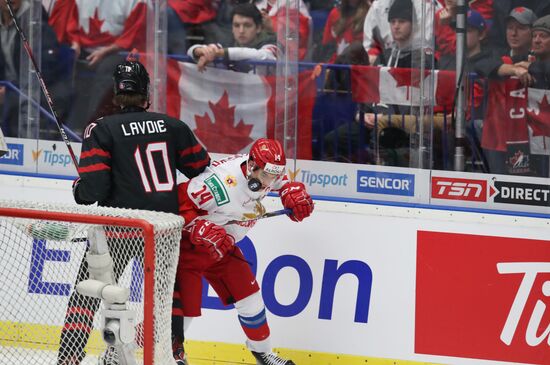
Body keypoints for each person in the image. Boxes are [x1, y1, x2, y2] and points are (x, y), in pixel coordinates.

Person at [56, 59, 211, 365]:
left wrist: (79, 188)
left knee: (87, 290)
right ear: (146, 94)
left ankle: (70, 356)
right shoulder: (173, 126)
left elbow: (94, 190)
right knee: (167, 294)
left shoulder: (101, 129)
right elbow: (200, 167)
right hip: (162, 229)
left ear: (116, 92)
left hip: (118, 226)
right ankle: (173, 353)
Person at [171, 138, 314, 365]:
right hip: (189, 246)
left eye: (274, 176)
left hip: (222, 245)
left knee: (250, 299)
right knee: (184, 310)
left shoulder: (265, 171)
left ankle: (262, 353)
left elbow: (278, 178)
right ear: (251, 167)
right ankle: (134, 347)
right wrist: (197, 225)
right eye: (267, 176)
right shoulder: (217, 184)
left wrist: (290, 190)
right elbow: (171, 206)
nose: (270, 182)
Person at [0, 0, 67, 138]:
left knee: (15, 105)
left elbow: (44, 71)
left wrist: (9, 91)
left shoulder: (37, 25)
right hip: (4, 88)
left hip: (29, 91)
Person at [187, 3, 279, 72]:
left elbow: (262, 56)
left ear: (258, 28)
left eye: (247, 25)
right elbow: (191, 51)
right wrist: (200, 51)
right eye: (236, 25)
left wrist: (220, 53)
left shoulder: (272, 42)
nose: (241, 31)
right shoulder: (227, 43)